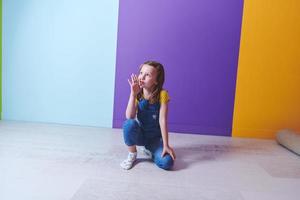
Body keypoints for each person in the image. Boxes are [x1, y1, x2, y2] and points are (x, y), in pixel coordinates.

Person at [120, 61, 176, 170]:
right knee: (128, 124)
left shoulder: (162, 94)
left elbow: (163, 120)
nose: (142, 77)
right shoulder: (138, 93)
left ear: (156, 81)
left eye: (147, 75)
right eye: (141, 73)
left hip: (154, 138)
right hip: (140, 135)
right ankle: (132, 154)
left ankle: (151, 150)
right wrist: (133, 94)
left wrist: (166, 145)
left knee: (167, 162)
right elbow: (129, 116)